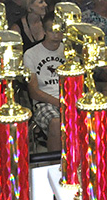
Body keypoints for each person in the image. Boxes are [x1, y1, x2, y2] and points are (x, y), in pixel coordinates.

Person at [23, 13, 65, 151]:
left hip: (70, 97)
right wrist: (58, 102)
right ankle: (54, 166)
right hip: (45, 102)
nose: (56, 35)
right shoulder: (31, 54)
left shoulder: (69, 51)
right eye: (52, 31)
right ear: (45, 32)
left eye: (59, 30)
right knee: (56, 123)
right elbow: (34, 92)